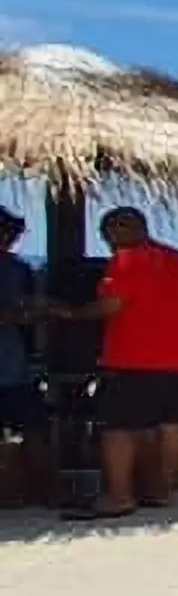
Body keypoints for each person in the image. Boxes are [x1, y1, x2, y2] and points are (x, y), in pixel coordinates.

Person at [52, 207, 178, 520]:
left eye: (107, 235)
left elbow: (111, 304)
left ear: (120, 230)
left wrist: (70, 313)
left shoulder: (126, 260)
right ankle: (161, 490)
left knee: (117, 427)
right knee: (169, 426)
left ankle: (119, 496)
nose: (108, 244)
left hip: (132, 359)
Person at [0, 208, 47, 504]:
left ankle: (33, 488)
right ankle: (41, 490)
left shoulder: (18, 269)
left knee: (33, 428)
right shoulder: (17, 269)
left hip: (14, 364)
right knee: (32, 428)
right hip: (13, 365)